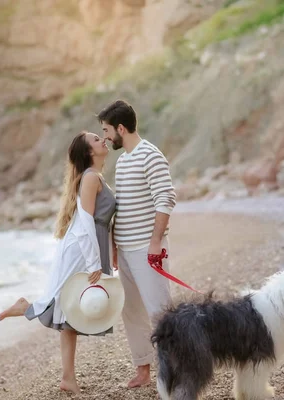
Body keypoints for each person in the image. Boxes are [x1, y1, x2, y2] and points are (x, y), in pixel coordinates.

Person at [0, 131, 116, 395]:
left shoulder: (95, 177)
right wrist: (95, 261)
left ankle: (67, 376)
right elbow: (86, 222)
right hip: (83, 249)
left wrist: (109, 253)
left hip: (89, 245)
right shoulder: (91, 177)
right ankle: (30, 311)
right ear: (89, 153)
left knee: (68, 308)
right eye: (97, 139)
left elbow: (100, 222)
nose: (102, 140)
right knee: (67, 308)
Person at [98, 99, 177, 388]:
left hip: (148, 249)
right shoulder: (122, 161)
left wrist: (156, 242)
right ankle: (143, 370)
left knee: (160, 311)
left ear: (121, 128)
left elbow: (166, 199)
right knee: (131, 311)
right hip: (127, 252)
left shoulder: (150, 155)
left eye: (107, 130)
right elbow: (124, 207)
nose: (106, 137)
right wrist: (116, 247)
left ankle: (173, 372)